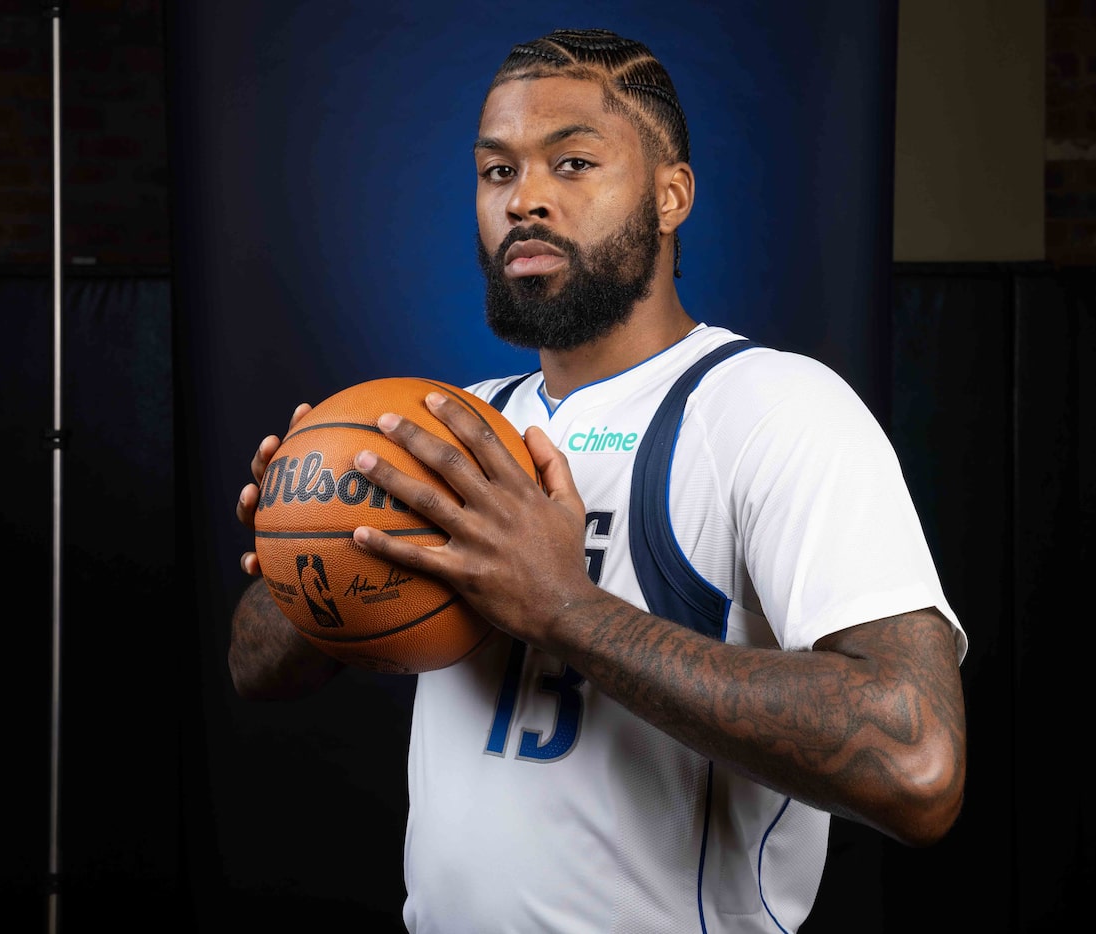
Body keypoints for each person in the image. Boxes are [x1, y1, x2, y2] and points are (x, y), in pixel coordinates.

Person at [229, 27, 968, 933]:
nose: (526, 199)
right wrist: (303, 543)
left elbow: (917, 765)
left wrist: (566, 611)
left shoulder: (771, 408)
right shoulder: (446, 422)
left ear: (670, 195)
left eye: (572, 162)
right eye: (497, 171)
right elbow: (253, 669)